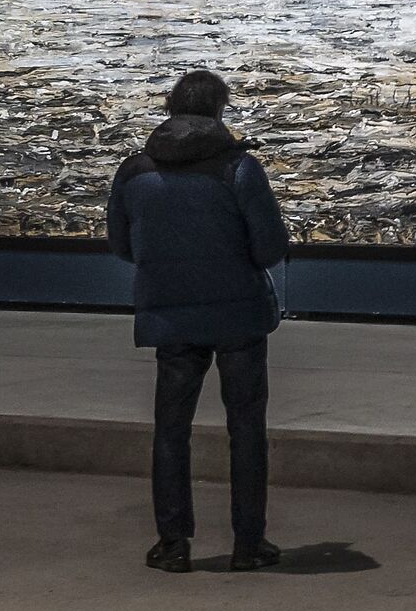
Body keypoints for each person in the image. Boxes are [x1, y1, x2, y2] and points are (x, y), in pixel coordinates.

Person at [107, 69, 290, 573]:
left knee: (171, 429)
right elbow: (269, 248)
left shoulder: (134, 171)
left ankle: (172, 544)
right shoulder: (240, 169)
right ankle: (248, 544)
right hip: (238, 314)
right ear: (220, 109)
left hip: (170, 314)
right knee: (246, 428)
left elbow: (122, 245)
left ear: (170, 107)